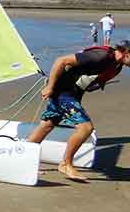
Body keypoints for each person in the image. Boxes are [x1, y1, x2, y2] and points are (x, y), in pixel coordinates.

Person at [27, 40, 130, 180]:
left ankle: (24, 157)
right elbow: (61, 61)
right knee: (85, 128)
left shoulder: (116, 65)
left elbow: (89, 79)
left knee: (48, 124)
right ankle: (65, 164)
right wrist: (50, 87)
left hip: (72, 92)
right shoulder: (101, 56)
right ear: (127, 53)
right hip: (62, 92)